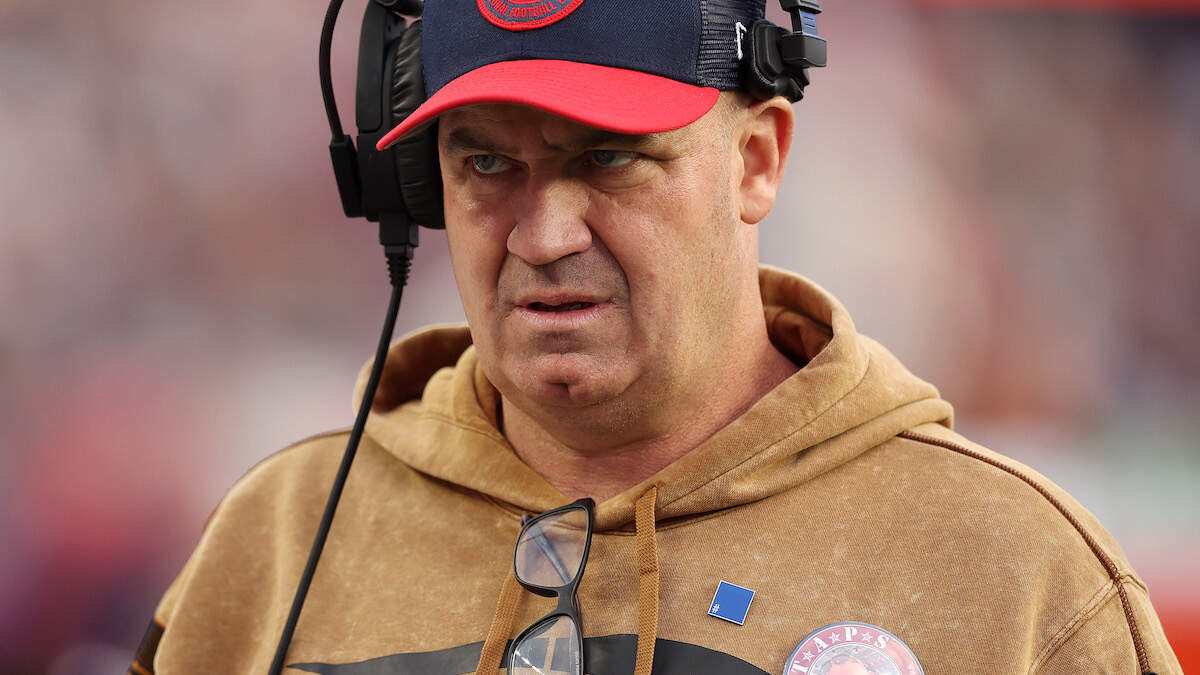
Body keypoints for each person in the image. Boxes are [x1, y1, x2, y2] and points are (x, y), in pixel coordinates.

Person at [132, 0, 1181, 673]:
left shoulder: (1015, 576)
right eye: (486, 164)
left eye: (608, 159)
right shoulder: (280, 538)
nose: (543, 236)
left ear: (757, 162)